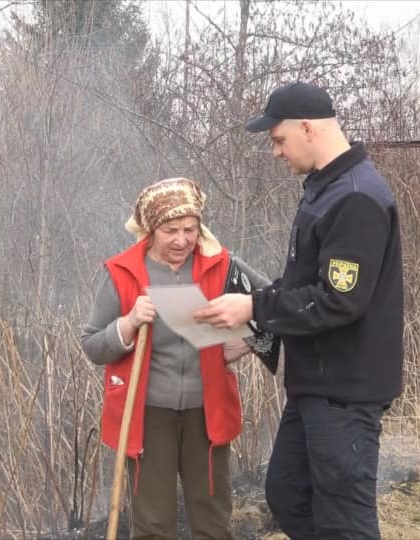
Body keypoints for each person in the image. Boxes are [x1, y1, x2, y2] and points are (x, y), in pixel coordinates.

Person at [193, 81, 405, 539]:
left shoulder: (355, 197)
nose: (276, 152)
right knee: (288, 494)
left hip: (345, 392)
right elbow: (301, 285)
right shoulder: (324, 191)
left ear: (307, 128)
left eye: (278, 139)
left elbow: (337, 299)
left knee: (344, 522)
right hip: (316, 384)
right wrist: (257, 335)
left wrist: (252, 304)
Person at [80, 177, 274, 539]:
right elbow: (92, 345)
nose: (182, 240)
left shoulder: (222, 264)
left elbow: (275, 303)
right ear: (150, 229)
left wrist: (250, 340)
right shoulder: (122, 273)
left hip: (208, 410)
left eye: (190, 229)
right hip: (148, 414)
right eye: (171, 230)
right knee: (153, 524)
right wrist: (129, 322)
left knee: (212, 520)